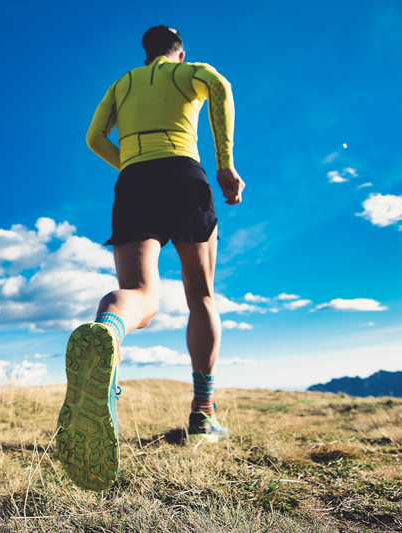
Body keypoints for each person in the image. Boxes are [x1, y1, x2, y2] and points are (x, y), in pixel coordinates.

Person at [56, 25, 245, 491]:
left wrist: (130, 164)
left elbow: (93, 137)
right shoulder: (189, 72)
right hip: (184, 173)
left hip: (135, 180)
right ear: (179, 52)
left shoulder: (123, 84)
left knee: (142, 294)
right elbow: (220, 88)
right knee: (201, 296)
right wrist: (225, 163)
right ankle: (203, 414)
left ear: (145, 54)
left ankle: (108, 331)